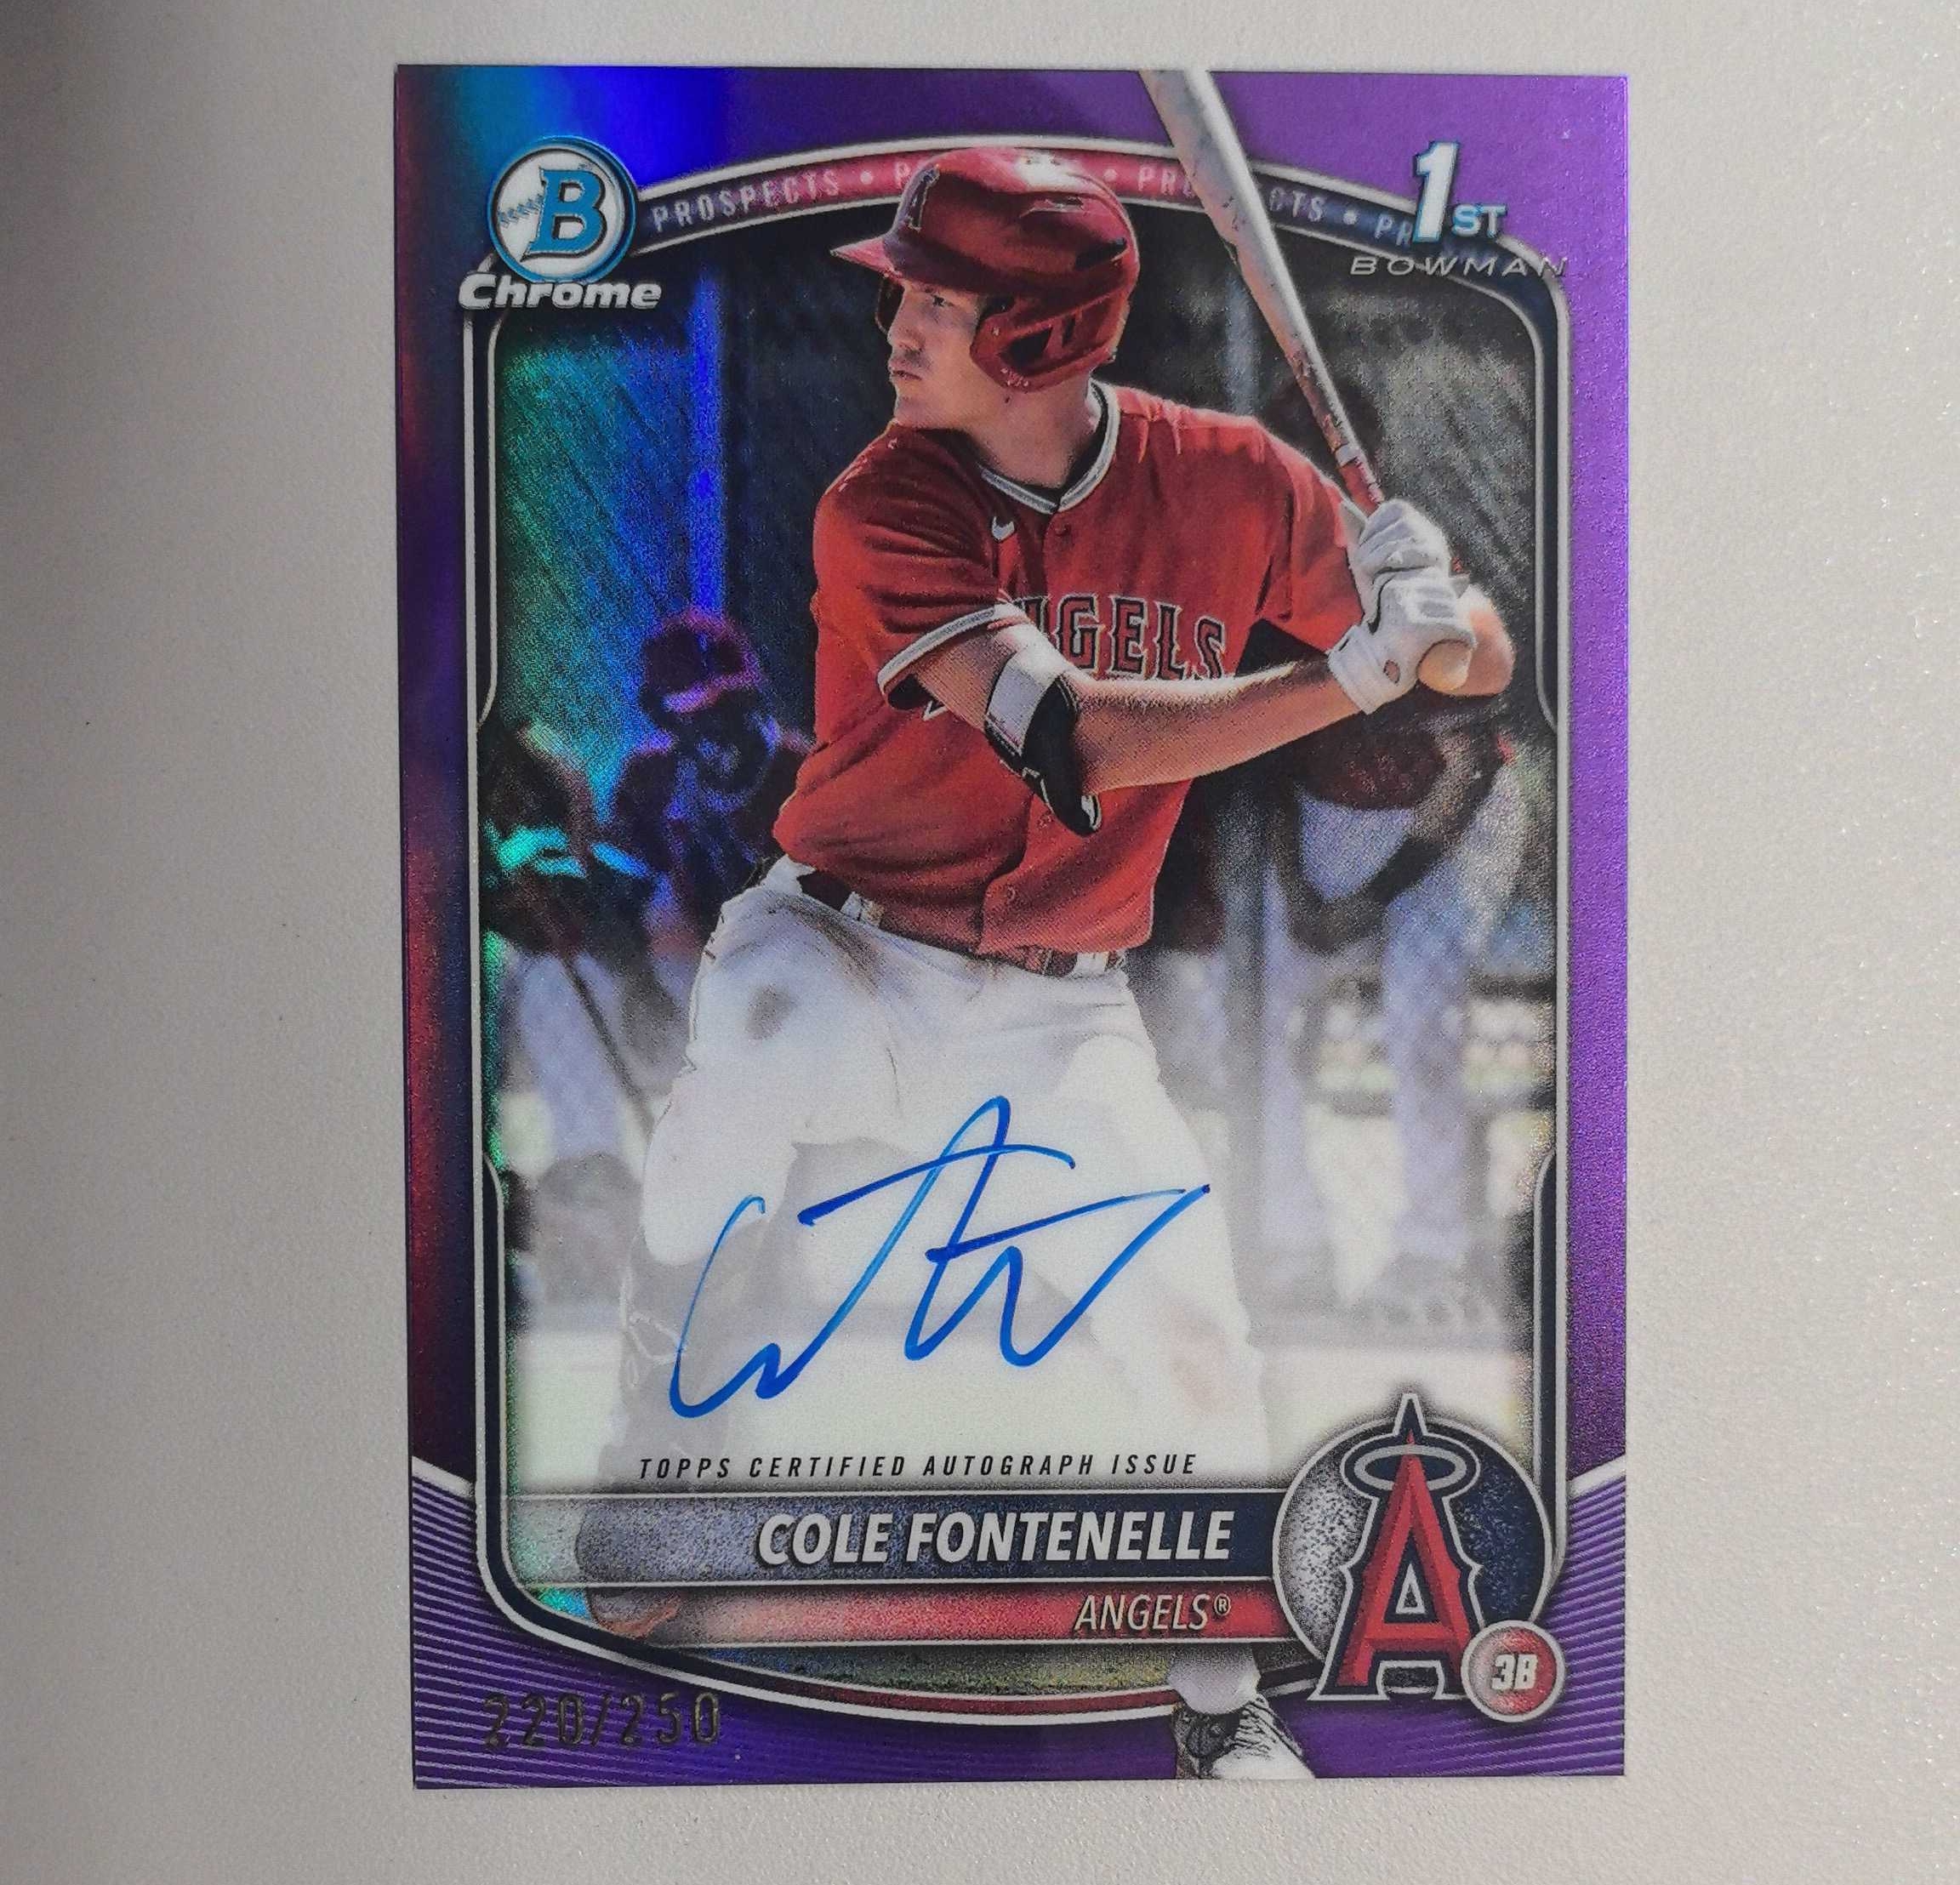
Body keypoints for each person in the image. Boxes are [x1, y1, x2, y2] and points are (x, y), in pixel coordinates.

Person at [583, 147, 1513, 1778]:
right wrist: (1357, 674)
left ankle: (1221, 1712)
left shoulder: (1232, 481)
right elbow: (1075, 738)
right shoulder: (885, 503)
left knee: (1195, 1338)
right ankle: (665, 1418)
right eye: (907, 295)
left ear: (1041, 335)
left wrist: (1431, 601)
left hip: (1058, 1010)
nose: (897, 327)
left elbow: (1474, 661)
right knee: (756, 1057)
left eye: (939, 303)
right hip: (844, 937)